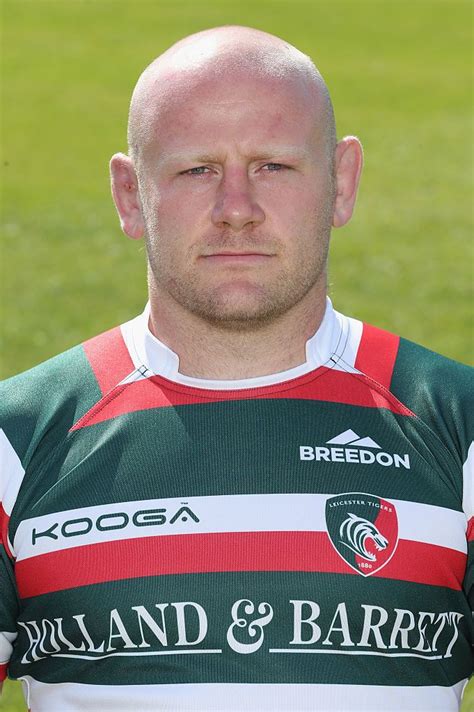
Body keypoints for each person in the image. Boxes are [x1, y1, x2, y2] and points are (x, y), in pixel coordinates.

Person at [0, 25, 472, 712]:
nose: (236, 210)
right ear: (130, 196)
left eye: (273, 166)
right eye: (197, 170)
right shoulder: (15, 443)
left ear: (342, 183)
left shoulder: (460, 430)